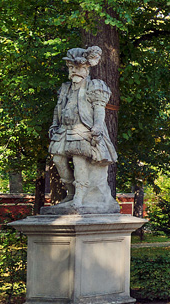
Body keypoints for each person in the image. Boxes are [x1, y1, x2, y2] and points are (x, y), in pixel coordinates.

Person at [45, 46, 120, 214]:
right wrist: (54, 124)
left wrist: (98, 127)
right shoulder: (65, 88)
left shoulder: (95, 86)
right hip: (64, 130)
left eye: (78, 67)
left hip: (83, 130)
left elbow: (99, 109)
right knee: (58, 159)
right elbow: (58, 108)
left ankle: (80, 196)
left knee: (79, 160)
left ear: (86, 68)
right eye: (71, 68)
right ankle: (70, 195)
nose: (74, 71)